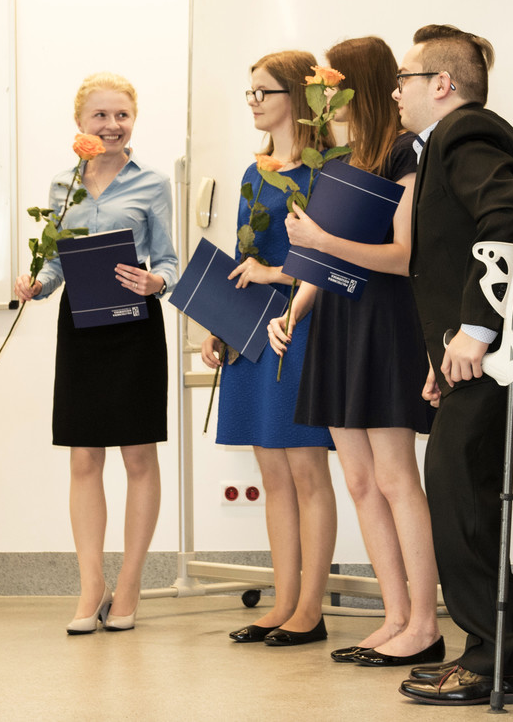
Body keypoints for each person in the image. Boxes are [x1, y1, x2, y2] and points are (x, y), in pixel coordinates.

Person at [391, 24, 513, 707]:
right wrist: (448, 351)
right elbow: (462, 249)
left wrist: (475, 330)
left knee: (456, 481)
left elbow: (504, 216)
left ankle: (501, 655)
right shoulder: (457, 137)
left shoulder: (463, 131)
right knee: (462, 485)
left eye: (405, 79)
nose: (396, 92)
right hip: (502, 344)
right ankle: (504, 652)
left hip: (511, 343)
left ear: (441, 84)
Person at [270, 36, 441, 667]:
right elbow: (324, 258)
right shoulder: (341, 159)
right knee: (361, 481)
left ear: (355, 85)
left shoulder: (404, 151)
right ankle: (395, 616)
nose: (324, 95)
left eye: (331, 83)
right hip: (339, 323)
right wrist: (294, 307)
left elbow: (402, 256)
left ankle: (425, 622)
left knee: (396, 478)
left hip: (385, 323)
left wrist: (318, 241)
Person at [13, 73, 178, 634]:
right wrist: (37, 282)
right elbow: (56, 262)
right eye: (100, 116)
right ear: (80, 123)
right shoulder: (62, 186)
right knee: (83, 457)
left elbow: (169, 261)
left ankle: (129, 582)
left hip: (135, 326)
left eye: (121, 115)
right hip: (80, 327)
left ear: (134, 119)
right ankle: (91, 584)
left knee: (138, 456)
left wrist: (157, 281)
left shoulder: (153, 183)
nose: (112, 126)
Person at [200, 51, 338, 648]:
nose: (253, 101)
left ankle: (311, 608)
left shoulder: (325, 170)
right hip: (253, 327)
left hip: (300, 324)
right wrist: (219, 323)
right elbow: (242, 258)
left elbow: (328, 259)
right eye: (249, 91)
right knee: (272, 471)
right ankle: (283, 602)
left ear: (297, 98)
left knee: (307, 468)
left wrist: (273, 275)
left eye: (264, 91)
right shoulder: (253, 173)